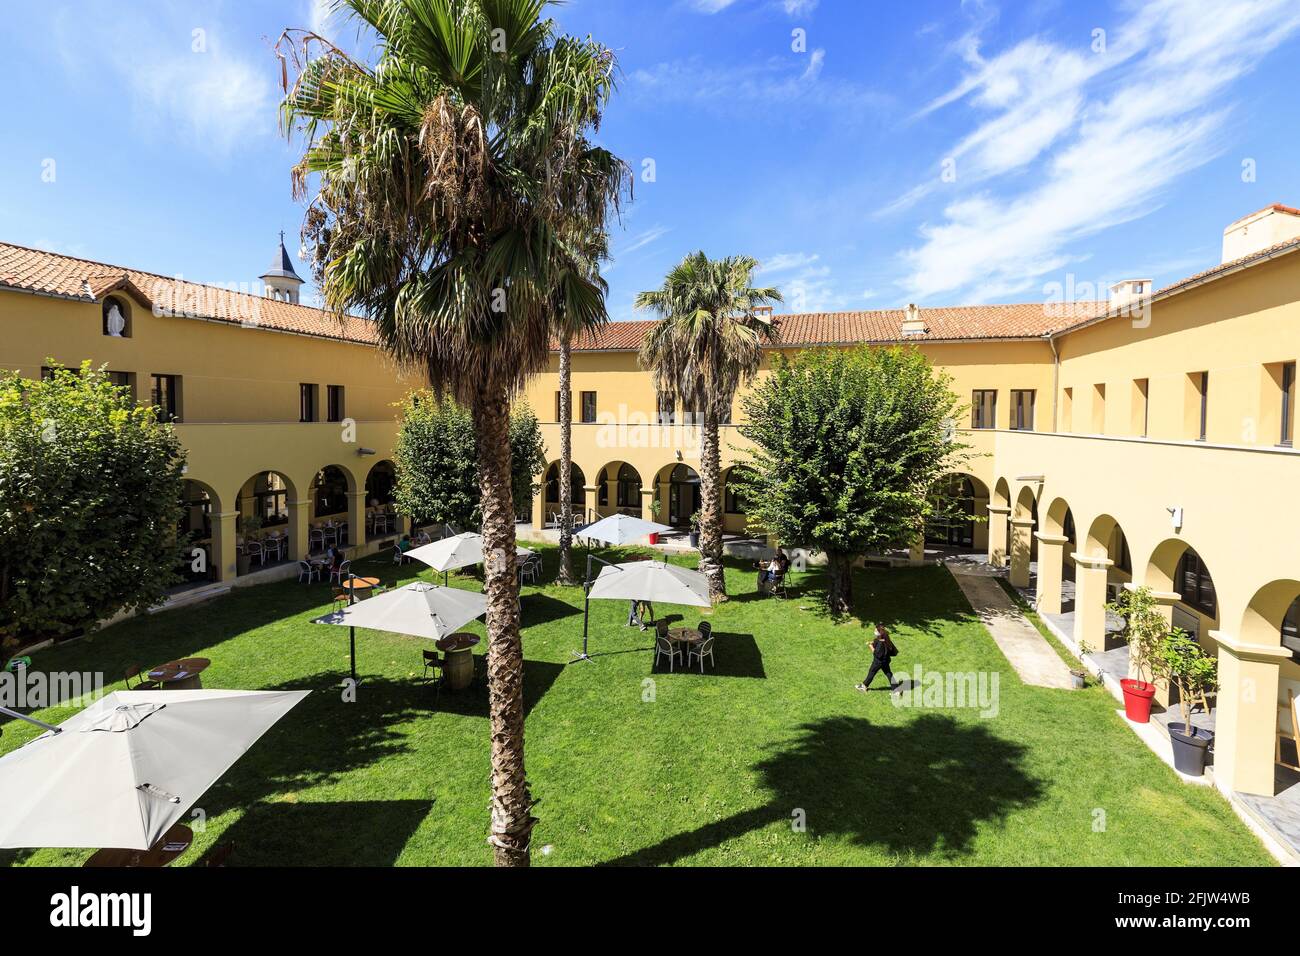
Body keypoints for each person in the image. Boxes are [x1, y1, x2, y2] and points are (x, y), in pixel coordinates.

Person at [857, 624, 899, 692]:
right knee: (888, 673)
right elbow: (876, 641)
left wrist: (871, 647)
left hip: (878, 662)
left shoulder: (880, 643)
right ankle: (896, 689)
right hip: (886, 660)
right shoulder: (885, 638)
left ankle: (864, 686)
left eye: (876, 630)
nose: (874, 631)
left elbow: (877, 654)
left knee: (872, 672)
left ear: (879, 632)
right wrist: (872, 642)